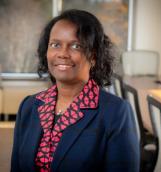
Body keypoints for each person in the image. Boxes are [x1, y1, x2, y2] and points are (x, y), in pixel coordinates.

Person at [11, 9, 140, 172]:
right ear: (47, 52)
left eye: (76, 46)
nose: (63, 54)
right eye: (55, 45)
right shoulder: (29, 106)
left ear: (93, 56)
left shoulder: (116, 113)